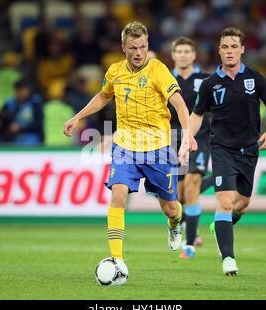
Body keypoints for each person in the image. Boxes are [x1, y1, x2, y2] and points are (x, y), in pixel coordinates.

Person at [63, 21, 196, 263]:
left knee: (171, 208)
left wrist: (187, 135)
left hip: (158, 148)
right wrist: (77, 117)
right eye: (133, 48)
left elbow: (179, 104)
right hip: (125, 147)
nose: (138, 53)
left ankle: (174, 224)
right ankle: (117, 260)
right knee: (119, 194)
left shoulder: (158, 70)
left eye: (143, 47)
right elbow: (104, 96)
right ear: (123, 47)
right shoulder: (115, 71)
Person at [190, 28, 266, 275]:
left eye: (233, 46)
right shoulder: (210, 84)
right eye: (224, 47)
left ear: (242, 49)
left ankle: (221, 226)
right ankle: (228, 258)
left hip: (249, 150)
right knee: (226, 202)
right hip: (221, 149)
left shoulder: (255, 78)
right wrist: (187, 136)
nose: (229, 51)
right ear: (219, 51)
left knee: (242, 205)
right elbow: (197, 114)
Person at [168, 37, 211, 259]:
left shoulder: (206, 79)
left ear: (194, 55)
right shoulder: (164, 79)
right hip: (171, 140)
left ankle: (190, 245)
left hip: (199, 139)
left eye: (187, 51)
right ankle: (190, 226)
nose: (183, 55)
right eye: (179, 51)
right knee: (180, 193)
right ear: (173, 55)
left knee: (192, 186)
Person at [0, 79, 43, 145]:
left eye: (23, 91)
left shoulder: (35, 103)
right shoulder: (10, 103)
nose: (20, 94)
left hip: (32, 140)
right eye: (18, 91)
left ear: (28, 90)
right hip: (12, 140)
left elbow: (39, 124)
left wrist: (21, 127)